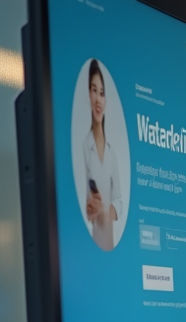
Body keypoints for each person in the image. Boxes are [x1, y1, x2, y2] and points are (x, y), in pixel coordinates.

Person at [82, 59, 122, 252]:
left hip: (110, 246)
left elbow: (119, 202)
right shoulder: (83, 148)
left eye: (102, 93)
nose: (98, 99)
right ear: (88, 95)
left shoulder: (112, 153)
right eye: (94, 90)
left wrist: (106, 212)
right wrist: (89, 211)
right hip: (89, 248)